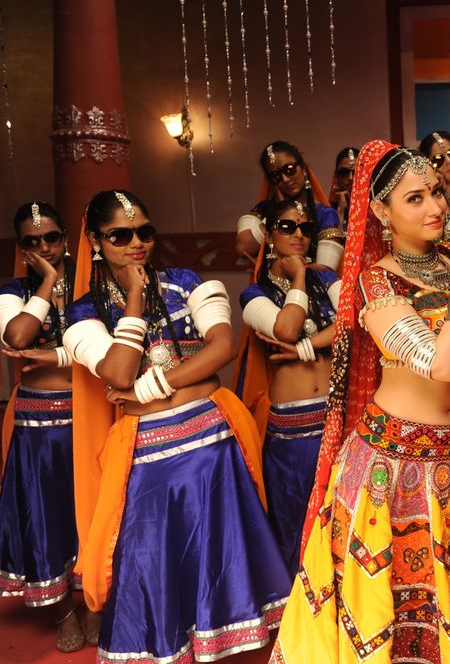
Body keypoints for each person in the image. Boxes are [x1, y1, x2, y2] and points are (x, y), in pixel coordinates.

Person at [270, 140, 450, 663]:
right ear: (380, 210)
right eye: (415, 198)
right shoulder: (376, 282)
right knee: (386, 615)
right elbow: (440, 365)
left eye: (436, 192)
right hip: (391, 472)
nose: (435, 206)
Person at [63, 190, 289, 663]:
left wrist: (148, 389)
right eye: (120, 235)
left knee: (223, 555)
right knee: (155, 558)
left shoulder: (185, 282)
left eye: (144, 232)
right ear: (95, 241)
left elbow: (220, 348)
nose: (136, 243)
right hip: (149, 456)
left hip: (213, 443)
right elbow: (118, 372)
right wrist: (134, 300)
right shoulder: (84, 311)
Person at [238, 199, 341, 583]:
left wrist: (306, 348)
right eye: (287, 227)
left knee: (339, 510)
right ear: (268, 234)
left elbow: (355, 321)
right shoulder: (253, 294)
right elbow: (286, 328)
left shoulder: (327, 279)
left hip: (334, 413)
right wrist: (298, 276)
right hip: (292, 429)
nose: (299, 234)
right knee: (295, 514)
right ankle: (299, 602)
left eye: (306, 228)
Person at [0, 202, 82, 652]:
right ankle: (63, 609)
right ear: (22, 247)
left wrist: (57, 357)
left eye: (51, 237)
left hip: (91, 414)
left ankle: (93, 601)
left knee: (91, 508)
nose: (44, 246)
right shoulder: (13, 292)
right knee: (47, 514)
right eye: (32, 241)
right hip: (39, 424)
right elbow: (17, 337)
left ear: (66, 238)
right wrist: (47, 282)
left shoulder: (92, 285)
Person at [236, 140, 345, 271]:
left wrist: (288, 271)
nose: (285, 179)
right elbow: (243, 247)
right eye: (275, 176)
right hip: (269, 284)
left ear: (303, 167)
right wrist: (278, 212)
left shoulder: (324, 214)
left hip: (311, 283)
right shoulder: (263, 210)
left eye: (289, 169)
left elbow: (327, 268)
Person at [329, 146, 359, 222]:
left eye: (356, 172)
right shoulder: (326, 212)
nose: (350, 178)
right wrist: (341, 209)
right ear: (336, 176)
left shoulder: (376, 209)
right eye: (344, 172)